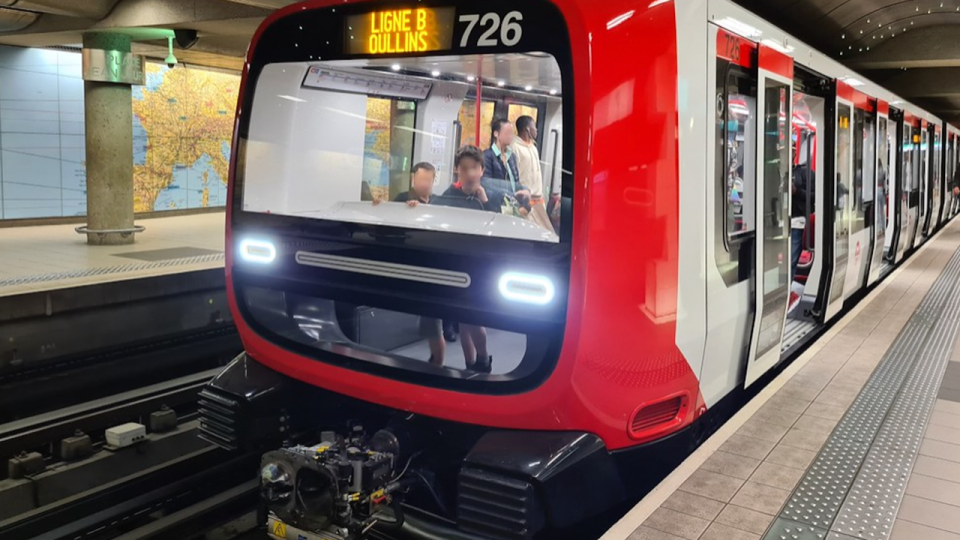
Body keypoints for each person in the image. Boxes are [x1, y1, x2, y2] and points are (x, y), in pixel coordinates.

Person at [373, 162, 446, 366]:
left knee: (432, 321)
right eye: (421, 179)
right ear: (413, 179)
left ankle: (437, 364)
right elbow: (386, 227)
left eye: (428, 180)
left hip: (432, 268)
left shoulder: (439, 202)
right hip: (408, 267)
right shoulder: (402, 200)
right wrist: (382, 209)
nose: (424, 184)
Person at [436, 145, 501, 372]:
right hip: (457, 263)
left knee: (473, 319)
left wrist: (485, 202)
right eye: (464, 168)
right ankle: (470, 365)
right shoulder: (448, 196)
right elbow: (432, 214)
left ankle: (483, 359)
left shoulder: (491, 196)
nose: (470, 173)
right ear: (457, 171)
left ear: (482, 170)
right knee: (463, 319)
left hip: (481, 266)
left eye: (474, 167)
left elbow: (500, 227)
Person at [511, 115, 554, 232]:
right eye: (534, 127)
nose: (536, 130)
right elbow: (514, 175)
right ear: (527, 129)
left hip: (538, 200)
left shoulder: (533, 147)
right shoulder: (514, 147)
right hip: (525, 200)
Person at [483, 119, 531, 214]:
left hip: (512, 204)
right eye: (507, 133)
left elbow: (516, 182)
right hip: (496, 205)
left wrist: (525, 190)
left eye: (512, 133)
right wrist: (510, 195)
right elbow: (486, 184)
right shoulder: (487, 156)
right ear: (496, 134)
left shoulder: (512, 156)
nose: (510, 136)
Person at [791, 162, 815, 281]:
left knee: (791, 260)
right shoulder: (774, 172)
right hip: (777, 223)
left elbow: (815, 196)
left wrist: (797, 192)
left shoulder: (806, 173)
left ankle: (787, 287)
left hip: (797, 223)